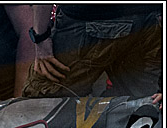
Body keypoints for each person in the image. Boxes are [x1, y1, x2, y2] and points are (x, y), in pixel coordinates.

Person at [21, 5, 162, 98]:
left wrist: (41, 37)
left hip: (88, 18)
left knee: (41, 105)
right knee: (142, 107)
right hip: (152, 18)